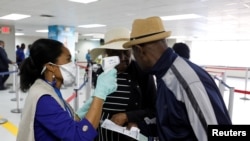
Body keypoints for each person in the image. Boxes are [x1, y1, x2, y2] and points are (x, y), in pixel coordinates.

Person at [123, 16, 232, 141]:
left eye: (133, 53)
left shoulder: (187, 80)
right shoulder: (163, 76)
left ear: (139, 50)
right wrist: (141, 127)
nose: (133, 59)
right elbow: (173, 123)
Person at [17, 38, 117, 141]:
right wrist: (100, 94)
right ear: (51, 66)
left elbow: (67, 122)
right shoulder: (44, 99)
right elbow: (80, 137)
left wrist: (90, 103)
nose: (73, 65)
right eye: (68, 60)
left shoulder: (51, 90)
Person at [77, 27, 157, 141]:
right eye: (116, 53)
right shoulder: (101, 73)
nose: (123, 58)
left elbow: (154, 108)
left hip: (128, 136)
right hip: (102, 135)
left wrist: (128, 116)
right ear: (107, 54)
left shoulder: (142, 73)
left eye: (126, 52)